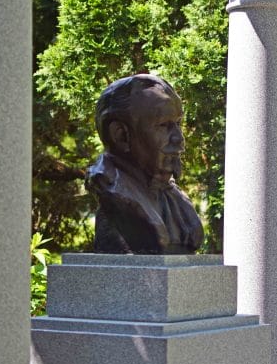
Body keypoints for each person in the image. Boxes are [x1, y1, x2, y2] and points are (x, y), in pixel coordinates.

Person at [86, 74, 204, 254]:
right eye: (164, 125)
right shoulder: (117, 193)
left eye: (178, 123)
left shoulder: (174, 197)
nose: (179, 139)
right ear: (121, 135)